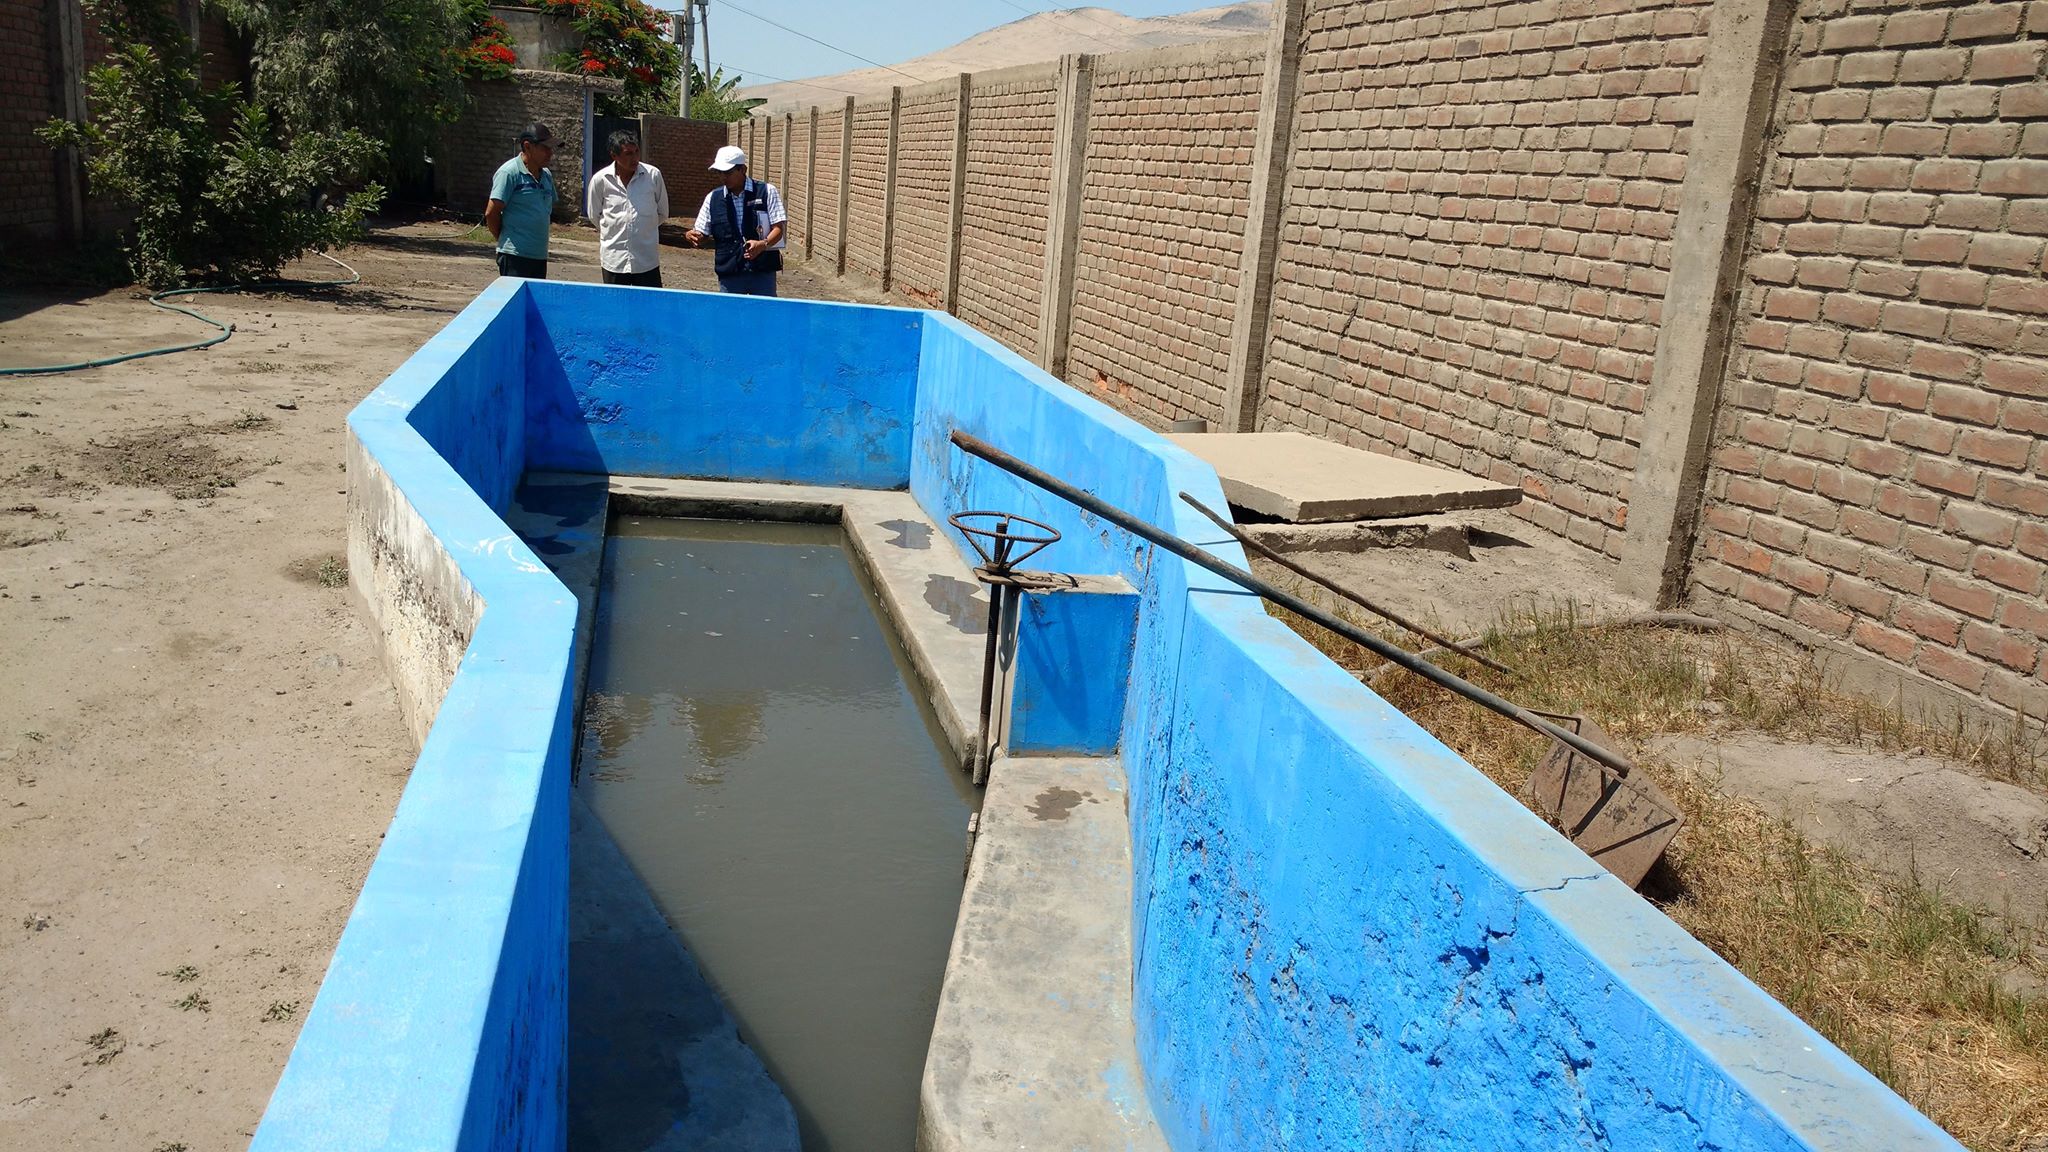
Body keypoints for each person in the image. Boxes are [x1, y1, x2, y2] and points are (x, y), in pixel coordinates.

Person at [684, 146, 785, 296]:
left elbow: (778, 228)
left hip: (763, 271)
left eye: (728, 172)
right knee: (731, 317)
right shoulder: (713, 198)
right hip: (730, 273)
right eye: (720, 173)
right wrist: (692, 236)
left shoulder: (767, 191)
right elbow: (702, 234)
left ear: (743, 169)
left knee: (764, 316)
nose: (723, 177)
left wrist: (762, 244)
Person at [588, 129, 670, 287]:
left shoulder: (653, 176)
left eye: (636, 152)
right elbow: (594, 215)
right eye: (628, 154)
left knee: (649, 308)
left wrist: (642, 229)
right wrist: (617, 230)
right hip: (614, 260)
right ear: (614, 156)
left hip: (646, 261)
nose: (635, 158)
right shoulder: (601, 180)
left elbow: (662, 212)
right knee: (617, 308)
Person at [485, 122, 556, 279]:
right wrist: (505, 238)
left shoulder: (546, 176)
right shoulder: (509, 173)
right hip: (514, 257)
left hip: (538, 256)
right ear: (528, 146)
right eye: (545, 148)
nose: (550, 153)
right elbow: (491, 213)